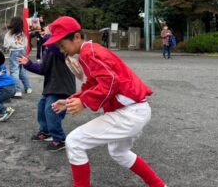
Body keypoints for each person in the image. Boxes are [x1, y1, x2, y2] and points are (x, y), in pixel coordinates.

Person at [47, 16, 166, 187]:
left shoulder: (89, 53)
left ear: (77, 37)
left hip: (129, 113)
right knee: (119, 152)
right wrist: (70, 101)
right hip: (136, 109)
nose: (60, 47)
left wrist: (84, 102)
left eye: (61, 42)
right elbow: (94, 84)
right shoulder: (90, 51)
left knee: (74, 142)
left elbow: (110, 81)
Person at [18, 29, 76, 152]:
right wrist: (28, 64)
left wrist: (46, 36)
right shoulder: (48, 51)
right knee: (42, 107)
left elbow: (53, 44)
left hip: (62, 86)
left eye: (47, 30)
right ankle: (46, 131)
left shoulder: (61, 47)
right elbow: (43, 69)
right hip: (51, 86)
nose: (43, 32)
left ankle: (59, 139)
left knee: (51, 110)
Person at [4, 16, 32, 98]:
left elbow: (6, 45)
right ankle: (28, 88)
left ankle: (17, 90)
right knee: (22, 70)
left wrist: (8, 47)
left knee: (14, 71)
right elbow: (26, 44)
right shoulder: (23, 33)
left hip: (14, 52)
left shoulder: (9, 33)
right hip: (22, 51)